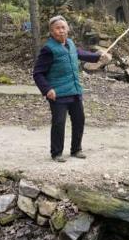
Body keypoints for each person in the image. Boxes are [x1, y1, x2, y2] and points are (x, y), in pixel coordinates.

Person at [33, 15, 111, 162]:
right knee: (59, 123)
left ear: (67, 29)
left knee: (79, 120)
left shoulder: (70, 44)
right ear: (51, 31)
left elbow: (81, 54)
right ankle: (56, 153)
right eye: (57, 28)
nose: (61, 31)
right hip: (58, 93)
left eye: (63, 27)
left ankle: (76, 149)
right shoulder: (48, 49)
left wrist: (99, 56)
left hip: (75, 91)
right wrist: (47, 89)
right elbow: (37, 73)